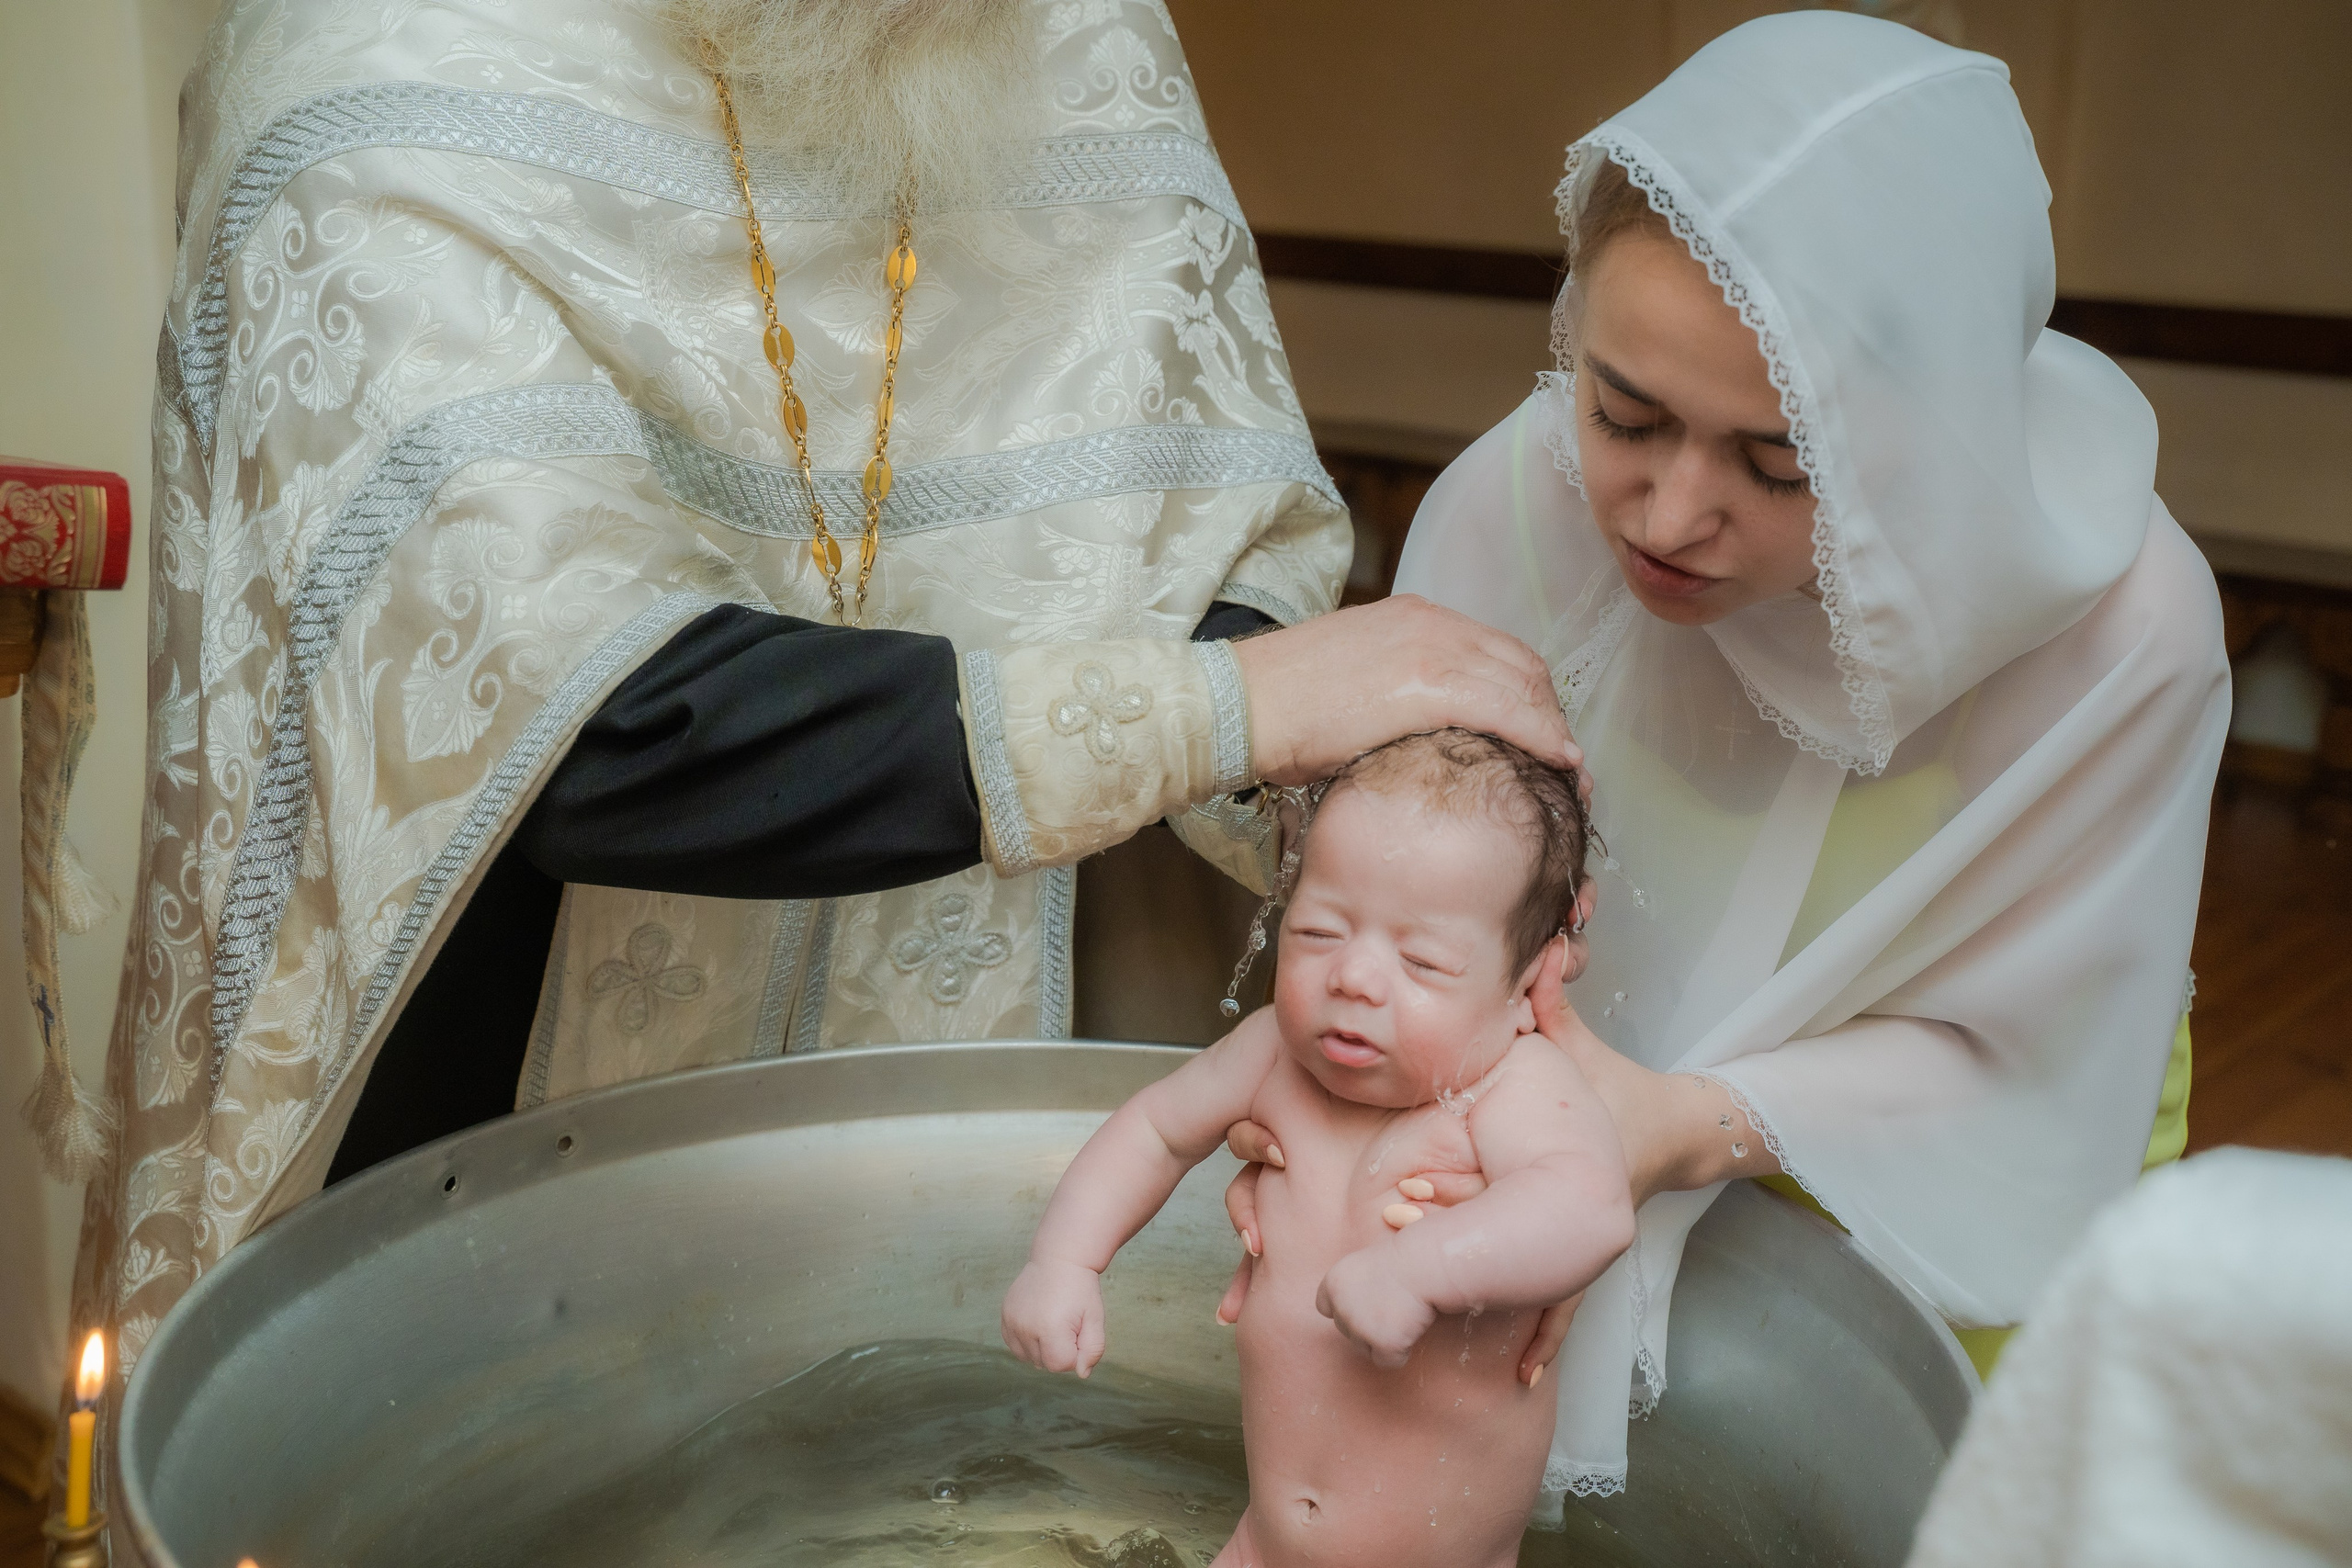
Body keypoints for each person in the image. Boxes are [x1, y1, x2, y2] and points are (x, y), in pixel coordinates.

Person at [57, 0, 1573, 1377]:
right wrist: (1228, 709)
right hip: (477, 1104)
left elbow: (1213, 519)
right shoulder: (377, 66)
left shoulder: (1059, 33)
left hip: (965, 1085)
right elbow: (562, 722)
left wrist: (1407, 837)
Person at [1229, 10, 2228, 1504]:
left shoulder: (2117, 632)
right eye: (1626, 413)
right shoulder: (1524, 498)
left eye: (1780, 463)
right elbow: (1416, 867)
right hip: (1550, 1116)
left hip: (1950, 1144)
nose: (1666, 516)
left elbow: (2032, 1057)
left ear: (1940, 429)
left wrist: (1673, 1122)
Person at [1001, 729, 1632, 1568]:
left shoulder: (1512, 1088)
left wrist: (1422, 1268)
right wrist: (1065, 1260)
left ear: (1528, 983)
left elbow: (1591, 1204)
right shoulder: (1272, 1054)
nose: (1355, 979)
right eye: (1320, 932)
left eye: (1421, 960)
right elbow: (1153, 1128)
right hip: (1261, 1546)